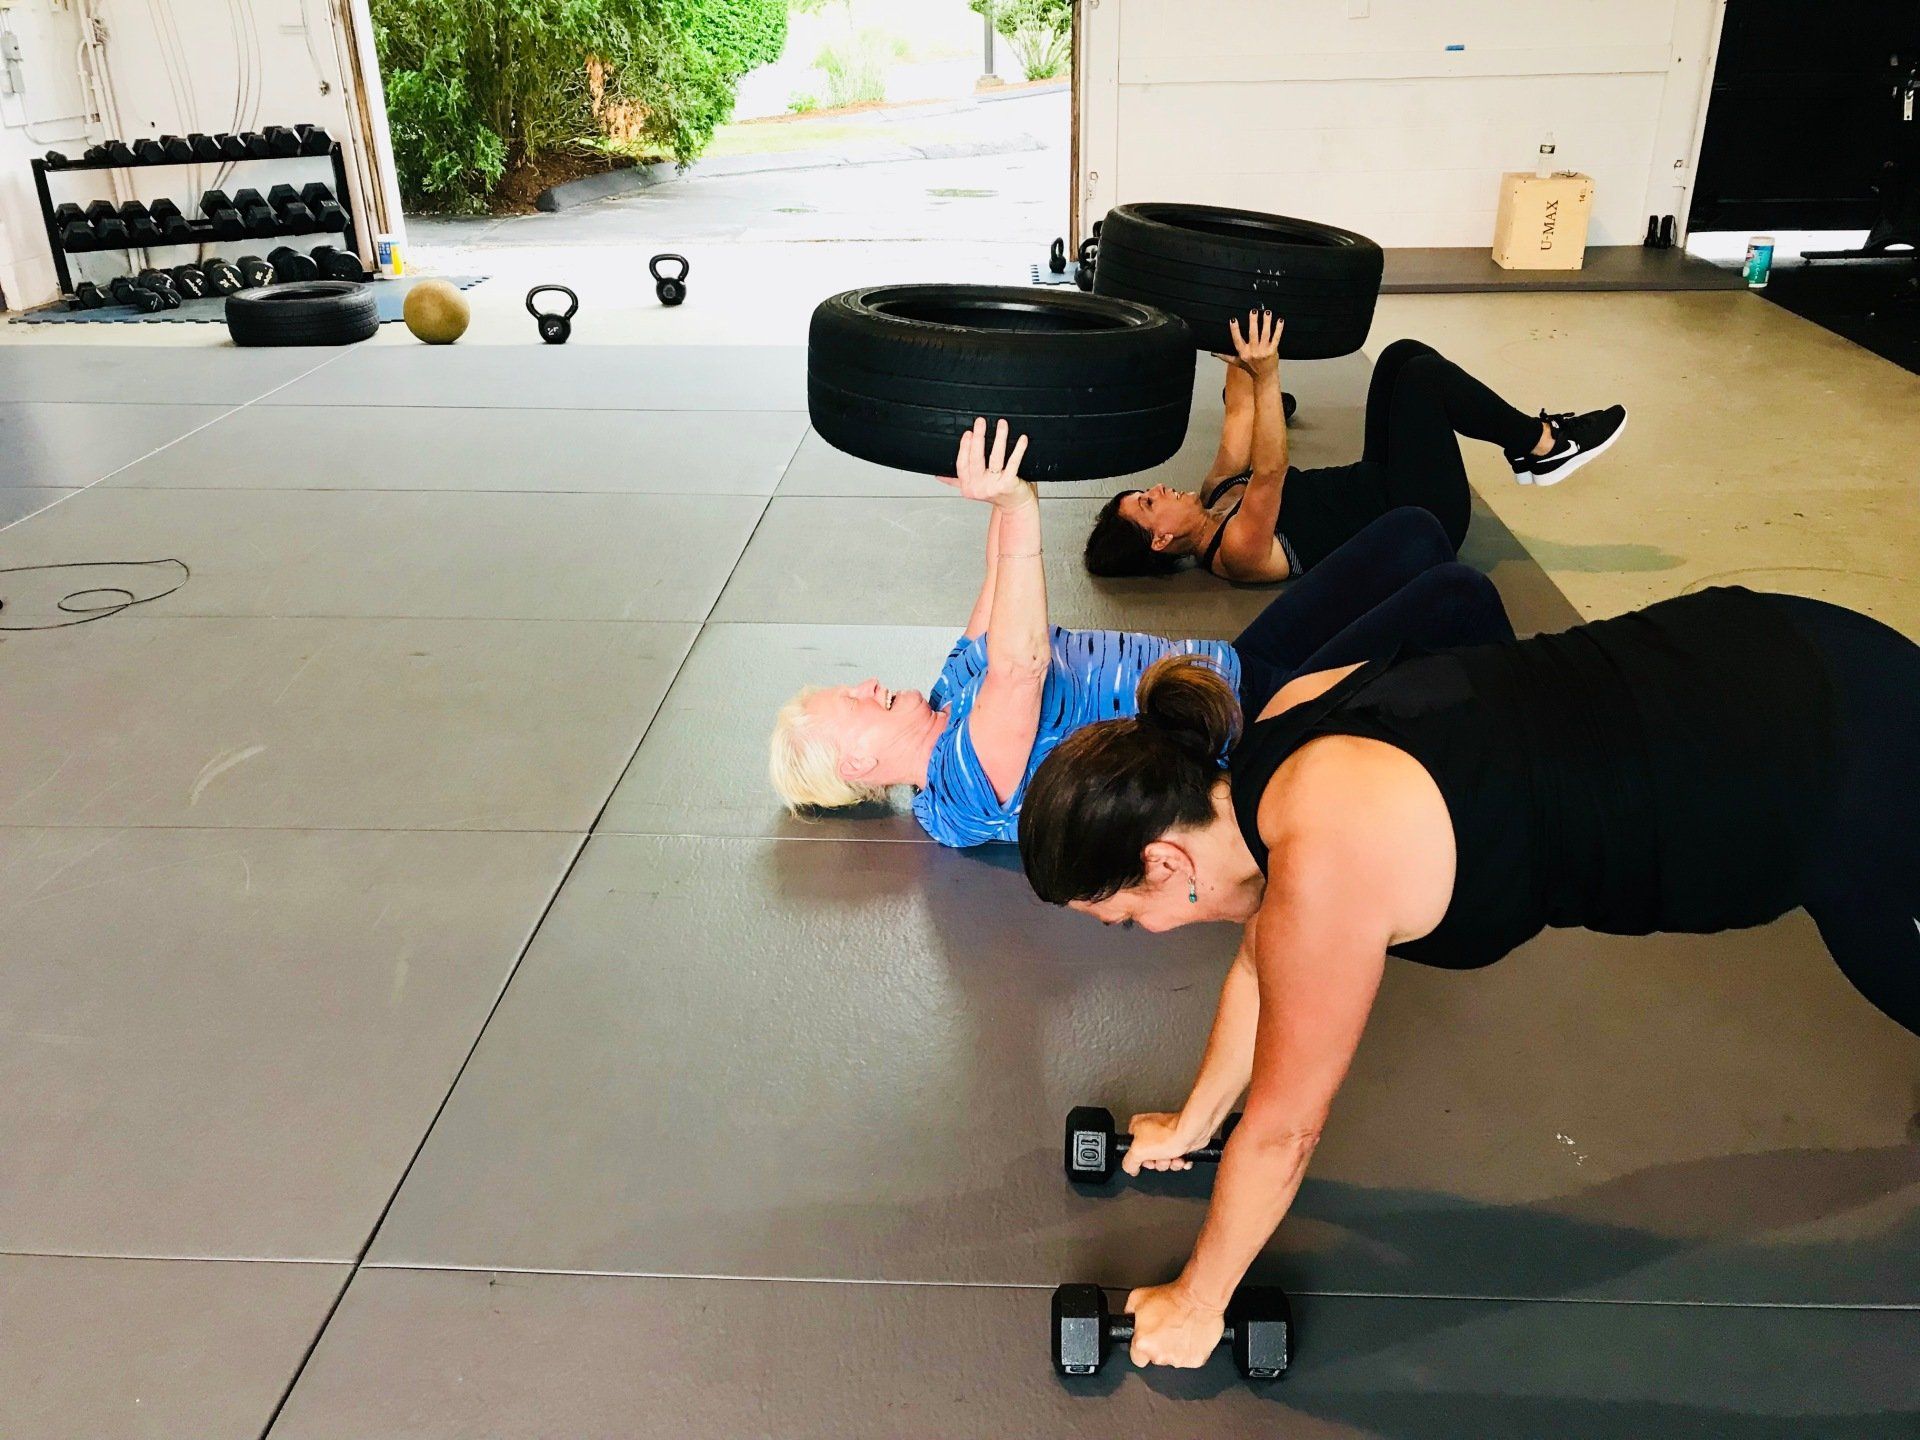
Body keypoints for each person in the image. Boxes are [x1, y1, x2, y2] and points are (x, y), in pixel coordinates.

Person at [1018, 587, 1920, 1368]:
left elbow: (1287, 1130)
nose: (1147, 933)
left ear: (1165, 862)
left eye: (1127, 917)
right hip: (1759, 653)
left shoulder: (1326, 863)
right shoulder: (1286, 732)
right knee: (1877, 930)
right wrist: (1198, 1118)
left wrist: (1198, 1303)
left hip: (1805, 761)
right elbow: (1265, 959)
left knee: (1887, 945)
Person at [769, 320, 1515, 847]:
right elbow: (1021, 668)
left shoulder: (947, 689)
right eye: (852, 702)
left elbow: (1001, 578)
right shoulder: (958, 788)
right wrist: (1021, 508)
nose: (868, 684)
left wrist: (992, 462)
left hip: (1227, 666)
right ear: (857, 766)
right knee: (1458, 598)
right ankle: (1525, 749)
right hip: (1243, 728)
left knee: (1414, 532)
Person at [1082, 315, 1628, 583]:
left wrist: (1225, 324)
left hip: (1382, 480)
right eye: (1148, 503)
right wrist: (1268, 373)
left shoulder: (1214, 493)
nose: (1157, 488)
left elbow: (1239, 412)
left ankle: (1534, 447)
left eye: (1145, 491)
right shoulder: (1235, 554)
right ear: (1161, 541)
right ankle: (1544, 444)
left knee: (1400, 357)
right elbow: (1271, 470)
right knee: (1423, 380)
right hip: (1421, 521)